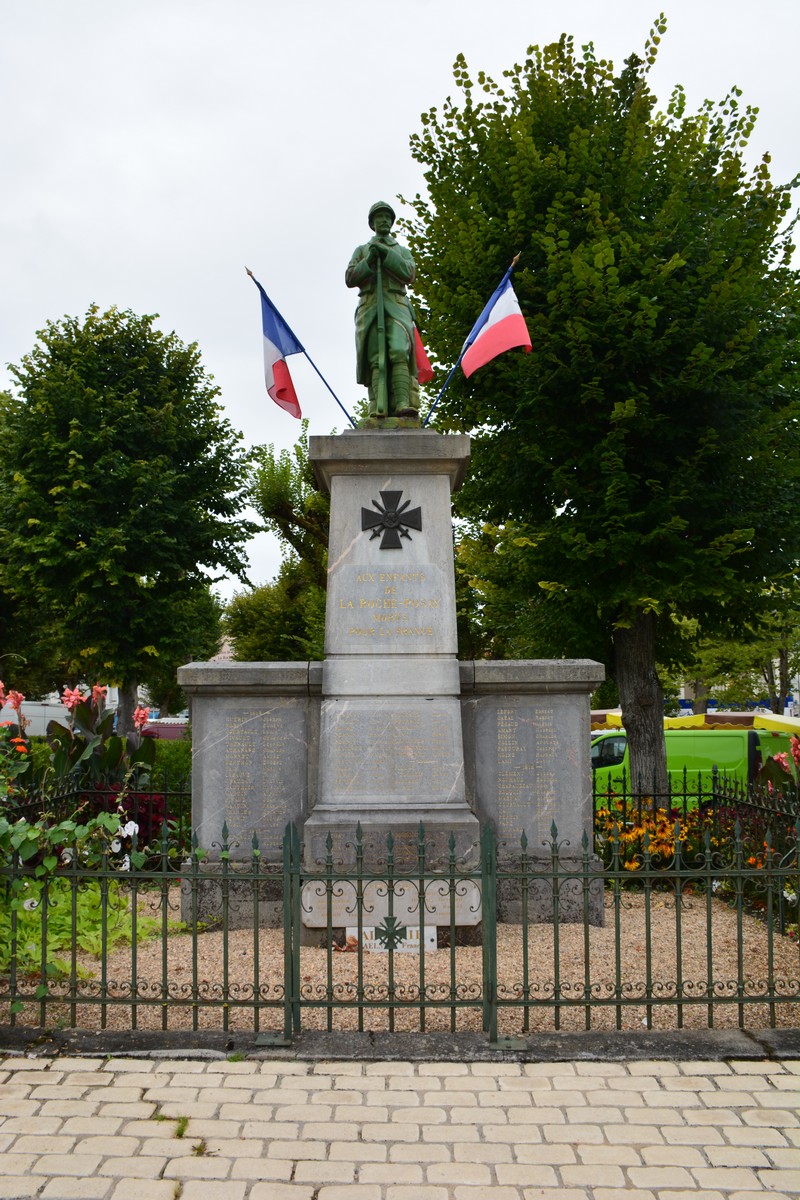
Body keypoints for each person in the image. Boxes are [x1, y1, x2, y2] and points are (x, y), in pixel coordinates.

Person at [346, 201, 420, 419]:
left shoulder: (402, 251)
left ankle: (403, 404)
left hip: (396, 306)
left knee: (399, 350)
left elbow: (409, 273)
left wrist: (386, 255)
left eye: (388, 217)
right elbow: (350, 278)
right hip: (370, 307)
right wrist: (369, 259)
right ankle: (377, 406)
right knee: (375, 357)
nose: (384, 220)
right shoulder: (361, 250)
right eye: (379, 217)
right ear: (372, 223)